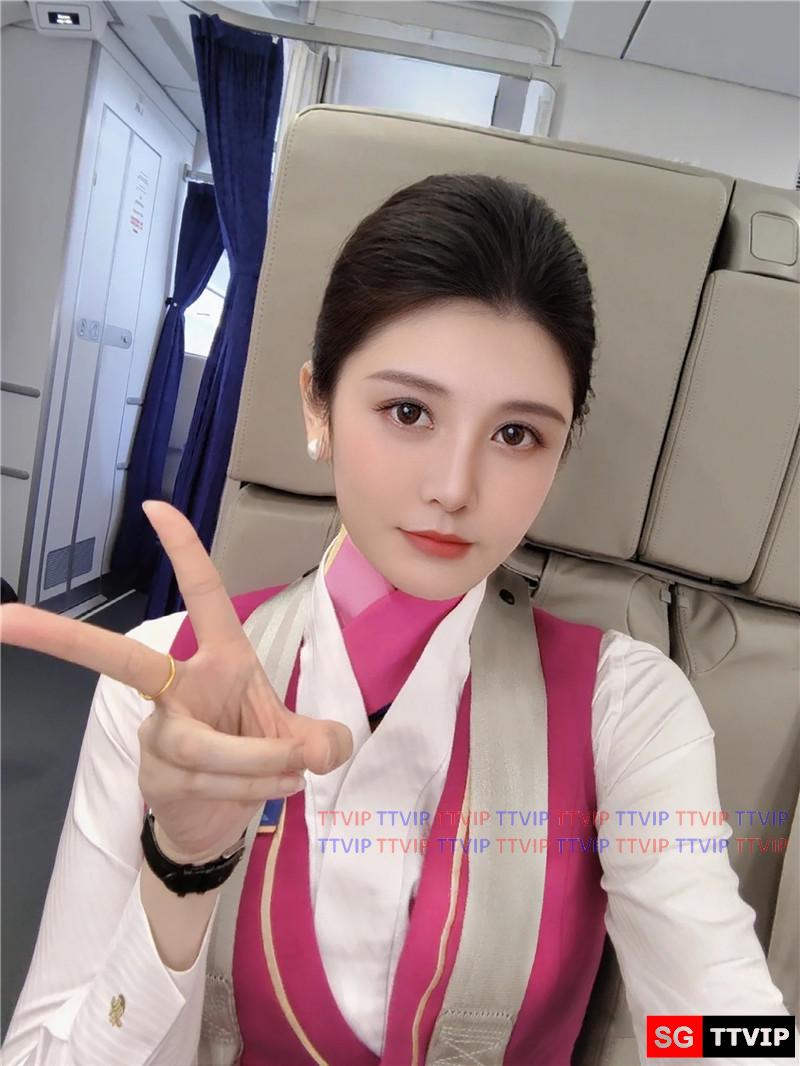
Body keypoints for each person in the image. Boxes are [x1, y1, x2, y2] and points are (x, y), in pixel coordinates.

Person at [1, 174, 794, 1066]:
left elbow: (721, 1024)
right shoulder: (163, 677)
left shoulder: (628, 707)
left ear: (561, 451)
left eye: (516, 435)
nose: (454, 487)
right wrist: (180, 872)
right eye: (408, 412)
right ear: (317, 407)